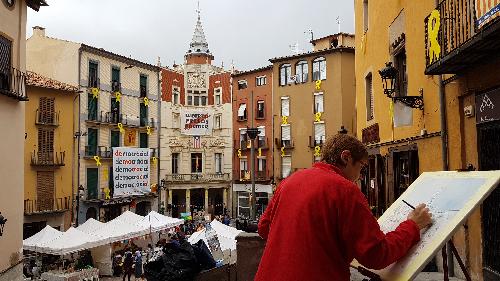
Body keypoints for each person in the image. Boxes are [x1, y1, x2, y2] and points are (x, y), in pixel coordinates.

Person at [254, 134, 432, 281]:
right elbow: (376, 254)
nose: (360, 176)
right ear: (346, 157)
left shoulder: (289, 182)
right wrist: (412, 226)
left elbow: (263, 228)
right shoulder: (346, 191)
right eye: (361, 167)